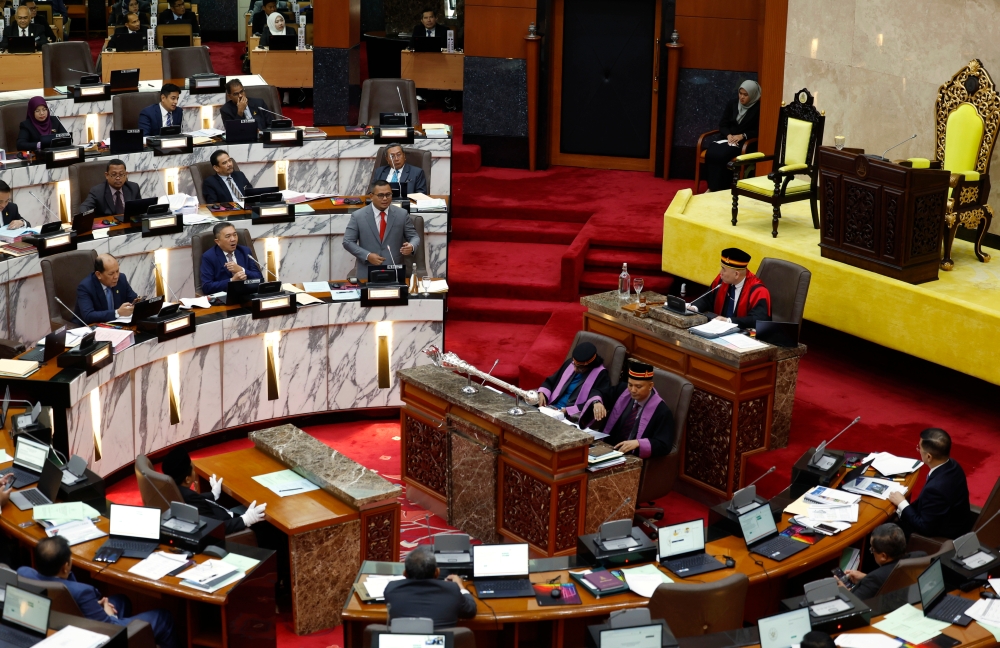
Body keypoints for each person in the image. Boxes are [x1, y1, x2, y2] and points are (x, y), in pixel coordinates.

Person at [17, 536, 177, 648]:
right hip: (98, 635)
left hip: (62, 622)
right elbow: (108, 629)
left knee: (122, 600)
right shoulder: (82, 591)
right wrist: (109, 615)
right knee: (164, 617)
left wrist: (93, 606)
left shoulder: (23, 572)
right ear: (65, 566)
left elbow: (66, 594)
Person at [888, 428, 972, 539]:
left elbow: (925, 527)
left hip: (942, 536)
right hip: (953, 520)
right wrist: (904, 510)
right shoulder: (953, 465)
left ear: (929, 456)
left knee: (884, 531)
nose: (918, 450)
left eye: (919, 448)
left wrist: (902, 504)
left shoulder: (936, 489)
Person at [161, 448, 267, 535]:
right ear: (187, 479)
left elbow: (197, 501)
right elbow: (214, 527)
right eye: (193, 469)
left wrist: (213, 494)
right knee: (267, 527)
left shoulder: (175, 491)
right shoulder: (190, 498)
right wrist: (246, 519)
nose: (195, 471)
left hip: (221, 513)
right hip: (230, 526)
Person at [383, 546, 477, 629]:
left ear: (405, 574)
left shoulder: (391, 589)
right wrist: (460, 586)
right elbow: (470, 611)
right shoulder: (452, 589)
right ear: (437, 573)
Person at [343, 180, 420, 280]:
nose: (385, 198)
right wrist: (367, 255)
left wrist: (412, 246)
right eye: (380, 195)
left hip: (394, 271)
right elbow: (347, 241)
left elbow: (414, 236)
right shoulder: (358, 216)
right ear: (371, 196)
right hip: (367, 271)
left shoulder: (402, 214)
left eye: (388, 194)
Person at [600, 360, 675, 459]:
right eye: (630, 385)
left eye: (638, 386)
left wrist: (639, 443)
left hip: (632, 457)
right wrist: (597, 403)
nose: (633, 390)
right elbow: (600, 393)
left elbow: (663, 445)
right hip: (608, 448)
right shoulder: (622, 391)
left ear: (650, 386)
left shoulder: (662, 411)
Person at [687, 247, 771, 330]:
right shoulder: (722, 280)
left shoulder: (758, 291)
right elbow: (707, 299)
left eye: (724, 269)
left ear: (736, 274)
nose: (720, 272)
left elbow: (758, 319)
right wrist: (693, 308)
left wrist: (729, 321)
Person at [703, 80, 761, 192]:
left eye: (745, 95)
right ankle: (711, 187)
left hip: (743, 143)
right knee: (710, 152)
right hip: (727, 139)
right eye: (740, 93)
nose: (742, 97)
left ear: (753, 95)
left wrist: (742, 135)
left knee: (722, 155)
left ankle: (721, 187)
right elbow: (723, 124)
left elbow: (758, 130)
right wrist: (728, 135)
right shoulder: (732, 103)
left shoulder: (758, 108)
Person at [536, 341, 610, 428]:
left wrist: (568, 410)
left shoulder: (600, 374)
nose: (574, 369)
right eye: (574, 365)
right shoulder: (570, 363)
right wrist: (542, 393)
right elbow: (551, 381)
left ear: (588, 365)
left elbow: (594, 399)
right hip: (550, 408)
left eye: (579, 367)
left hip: (567, 416)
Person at [842, 523, 925, 600]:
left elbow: (853, 603)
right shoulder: (920, 556)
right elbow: (890, 579)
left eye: (872, 549)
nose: (871, 551)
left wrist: (843, 591)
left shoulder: (875, 579)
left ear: (883, 556)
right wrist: (865, 578)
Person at [200, 222, 263, 294]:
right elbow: (207, 287)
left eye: (235, 235)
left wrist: (241, 270)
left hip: (247, 293)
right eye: (228, 236)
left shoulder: (245, 251)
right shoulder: (209, 256)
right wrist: (232, 280)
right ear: (218, 241)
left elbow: (259, 278)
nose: (233, 239)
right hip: (225, 297)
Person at [76, 253, 139, 323]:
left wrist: (137, 304)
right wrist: (117, 313)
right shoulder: (85, 287)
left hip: (117, 325)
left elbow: (133, 299)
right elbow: (88, 316)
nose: (116, 276)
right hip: (90, 327)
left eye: (117, 271)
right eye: (111, 274)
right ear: (99, 275)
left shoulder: (121, 278)